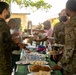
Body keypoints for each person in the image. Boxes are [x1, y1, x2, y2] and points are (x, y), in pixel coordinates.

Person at [0, 2, 28, 75]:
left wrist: (11, 37)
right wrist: (15, 43)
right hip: (3, 63)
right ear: (5, 10)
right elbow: (6, 47)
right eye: (8, 10)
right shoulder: (3, 25)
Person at [52, 0, 76, 75]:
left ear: (67, 9)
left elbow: (70, 48)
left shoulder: (71, 24)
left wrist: (60, 64)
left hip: (72, 66)